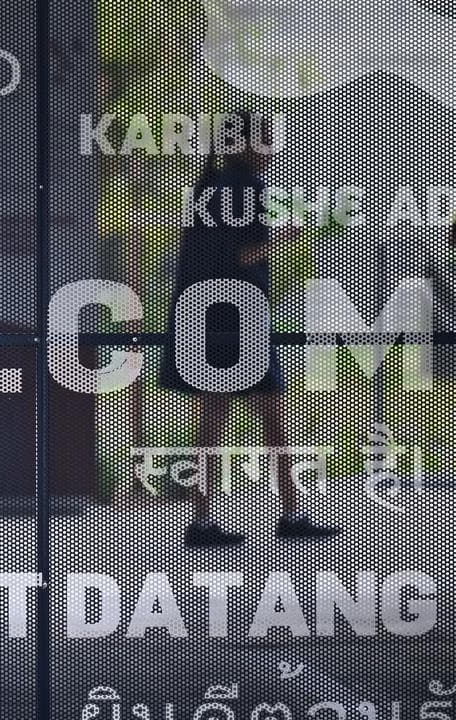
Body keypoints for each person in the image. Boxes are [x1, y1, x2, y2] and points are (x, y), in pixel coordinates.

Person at [159, 110, 341, 546]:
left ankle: (201, 520)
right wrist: (285, 236)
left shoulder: (210, 188)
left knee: (212, 419)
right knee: (274, 417)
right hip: (239, 317)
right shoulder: (247, 189)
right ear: (242, 145)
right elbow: (243, 256)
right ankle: (292, 513)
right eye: (264, 140)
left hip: (205, 318)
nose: (271, 149)